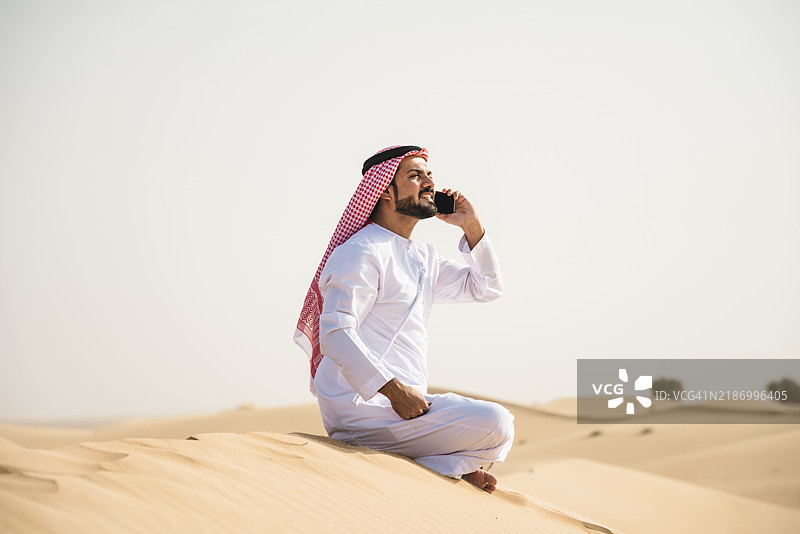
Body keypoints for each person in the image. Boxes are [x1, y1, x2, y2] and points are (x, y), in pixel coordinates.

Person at [294, 145, 514, 493]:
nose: (429, 183)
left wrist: (471, 225)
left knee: (500, 428)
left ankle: (438, 463)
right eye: (415, 175)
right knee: (496, 423)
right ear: (384, 192)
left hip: (406, 406)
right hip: (362, 406)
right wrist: (393, 389)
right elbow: (335, 332)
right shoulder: (362, 251)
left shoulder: (422, 257)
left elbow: (486, 287)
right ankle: (445, 462)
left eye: (429, 175)